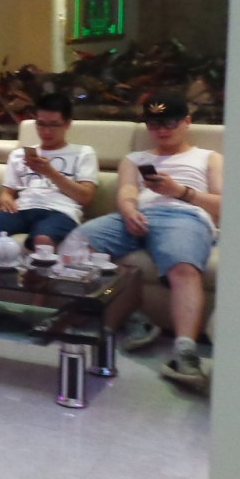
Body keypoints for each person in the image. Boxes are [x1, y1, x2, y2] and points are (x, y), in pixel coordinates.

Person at [69, 92, 222, 393]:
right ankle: (132, 316)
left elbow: (223, 204)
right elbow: (127, 189)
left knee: (183, 268)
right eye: (154, 124)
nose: (161, 130)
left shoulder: (208, 157)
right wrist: (128, 209)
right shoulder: (135, 159)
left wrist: (180, 191)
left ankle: (184, 354)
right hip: (137, 214)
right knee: (74, 246)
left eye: (169, 122)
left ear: (187, 122)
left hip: (185, 215)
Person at [0, 92, 98, 252]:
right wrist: (6, 199)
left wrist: (51, 173)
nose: (46, 131)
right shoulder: (19, 154)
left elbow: (85, 197)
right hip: (21, 209)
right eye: (41, 124)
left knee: (43, 239)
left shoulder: (83, 153)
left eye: (54, 125)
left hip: (60, 211)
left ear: (67, 124)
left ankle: (40, 270)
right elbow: (6, 193)